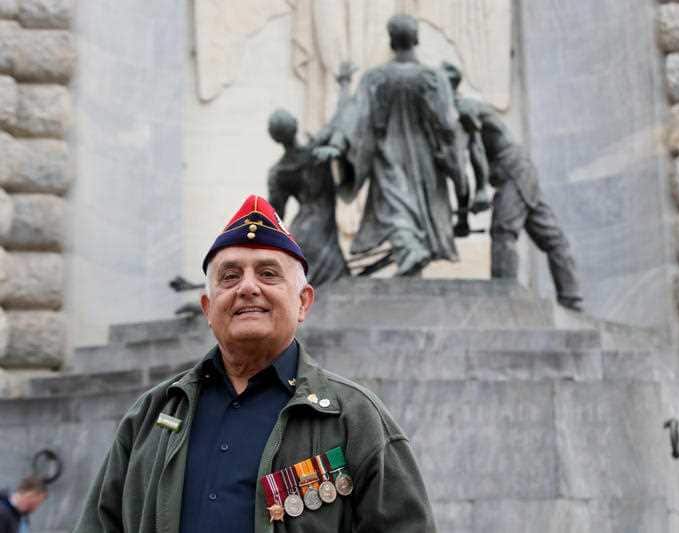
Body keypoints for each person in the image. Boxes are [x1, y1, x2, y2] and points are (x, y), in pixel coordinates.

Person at [73, 195, 436, 532]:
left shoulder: (355, 419)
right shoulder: (151, 416)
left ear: (303, 303)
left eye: (268, 273)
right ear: (207, 308)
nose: (247, 287)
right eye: (230, 276)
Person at [316, 14, 470, 276]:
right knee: (409, 210)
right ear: (417, 39)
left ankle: (411, 251)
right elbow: (447, 123)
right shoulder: (433, 78)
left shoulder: (375, 78)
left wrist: (339, 142)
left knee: (395, 207)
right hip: (425, 159)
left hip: (388, 156)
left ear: (391, 41)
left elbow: (356, 113)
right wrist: (455, 164)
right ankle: (411, 252)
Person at [442, 61, 584, 311]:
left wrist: (481, 192)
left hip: (512, 169)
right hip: (517, 170)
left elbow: (472, 154)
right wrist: (463, 219)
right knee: (549, 233)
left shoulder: (463, 109)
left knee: (503, 232)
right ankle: (571, 297)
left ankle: (503, 294)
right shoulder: (460, 110)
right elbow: (462, 164)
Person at [267, 108, 350, 286]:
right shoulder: (317, 153)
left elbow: (274, 215)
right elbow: (340, 116)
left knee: (312, 292)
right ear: (296, 125)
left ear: (274, 138)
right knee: (334, 286)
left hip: (300, 235)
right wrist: (344, 83)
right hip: (321, 232)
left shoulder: (278, 172)